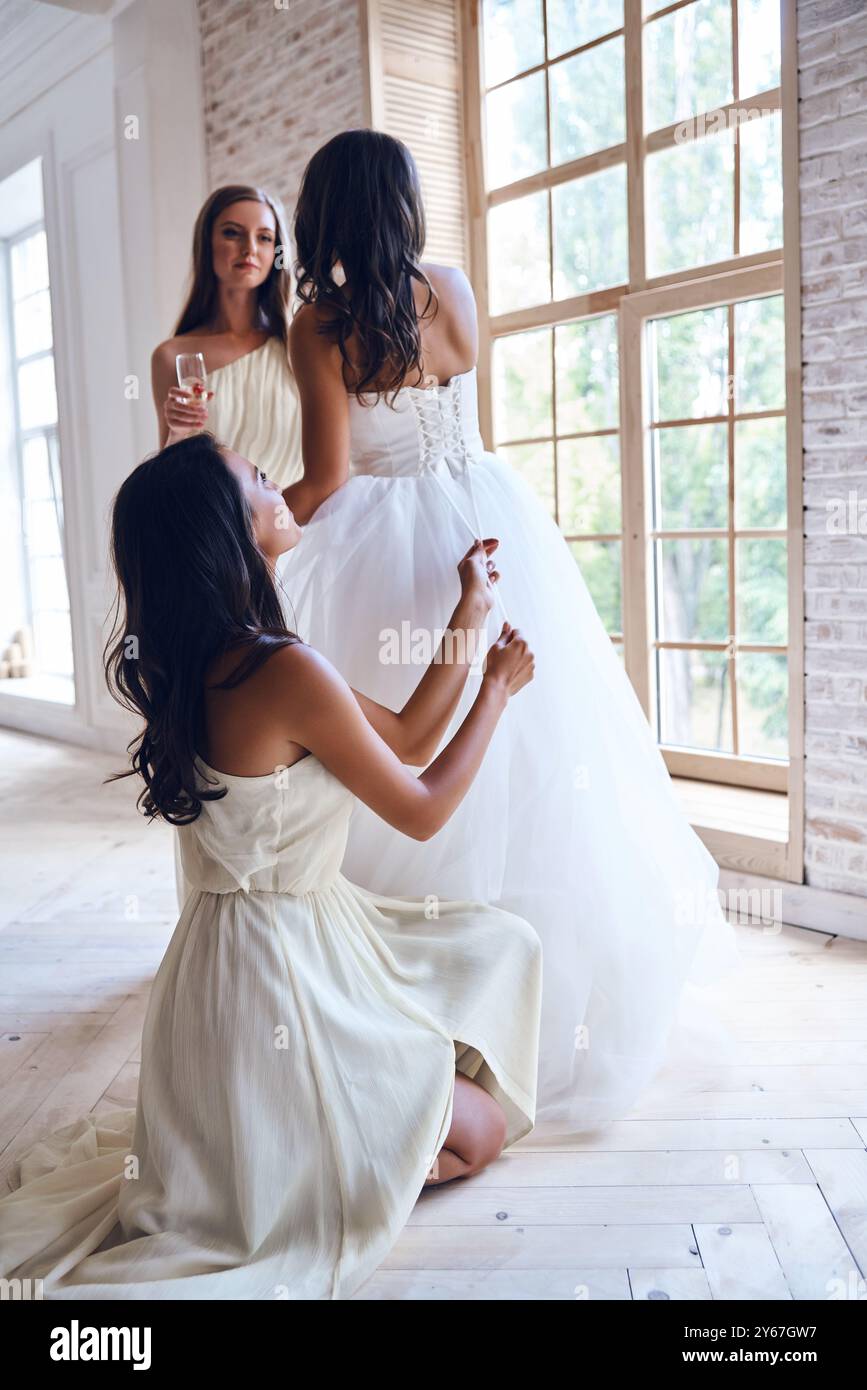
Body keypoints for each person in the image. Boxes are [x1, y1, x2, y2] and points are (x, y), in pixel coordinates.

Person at [0, 433, 541, 1300]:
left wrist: (467, 618)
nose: (274, 479)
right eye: (254, 477)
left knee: (492, 952)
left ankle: (305, 1152)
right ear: (228, 528)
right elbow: (424, 799)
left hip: (224, 971)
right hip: (279, 976)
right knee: (478, 1131)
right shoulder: (281, 667)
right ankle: (317, 1177)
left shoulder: (216, 659)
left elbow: (400, 737)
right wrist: (496, 692)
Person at [278, 129, 742, 1138]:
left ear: (324, 215)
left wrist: (243, 518)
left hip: (379, 549)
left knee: (394, 759)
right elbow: (453, 420)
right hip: (488, 530)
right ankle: (537, 1015)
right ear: (403, 205)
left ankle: (414, 1016)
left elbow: (326, 480)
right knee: (539, 776)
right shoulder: (451, 293)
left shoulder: (320, 325)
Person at [151, 184, 302, 486]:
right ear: (206, 243)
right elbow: (169, 479)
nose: (250, 249)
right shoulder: (171, 356)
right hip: (216, 531)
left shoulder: (299, 344)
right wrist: (177, 432)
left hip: (304, 528)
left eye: (264, 238)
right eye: (232, 233)